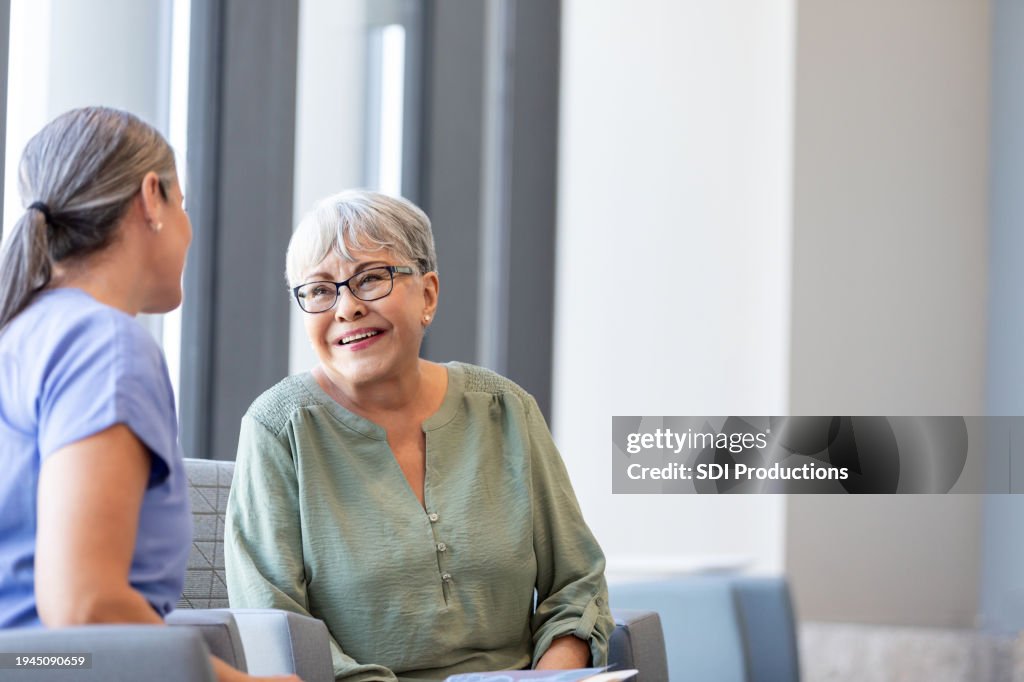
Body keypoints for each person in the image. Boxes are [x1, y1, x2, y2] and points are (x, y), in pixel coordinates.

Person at [225, 190, 615, 682]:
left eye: (370, 279)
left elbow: (576, 584)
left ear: (428, 293)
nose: (346, 308)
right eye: (320, 291)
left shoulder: (505, 409)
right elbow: (272, 627)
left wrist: (549, 679)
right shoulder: (278, 427)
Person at [0, 106, 299, 682]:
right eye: (182, 204)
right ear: (150, 199)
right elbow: (80, 606)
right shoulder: (103, 345)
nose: (188, 229)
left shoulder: (24, 334)